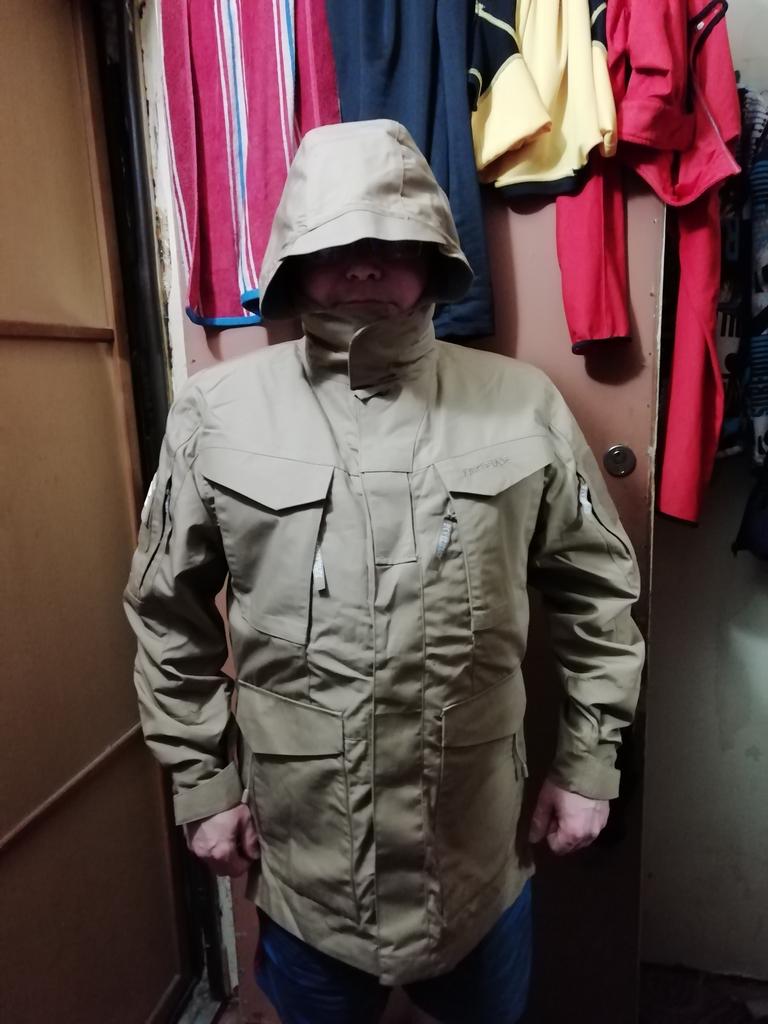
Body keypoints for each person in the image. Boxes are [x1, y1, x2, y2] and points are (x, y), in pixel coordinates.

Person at [124, 119, 644, 1024]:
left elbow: (599, 592)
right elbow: (166, 610)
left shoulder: (520, 404)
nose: (365, 264)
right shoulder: (217, 412)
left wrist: (590, 763)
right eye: (336, 241)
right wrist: (202, 785)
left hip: (478, 863)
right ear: (294, 258)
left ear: (435, 255)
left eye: (392, 241)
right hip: (306, 867)